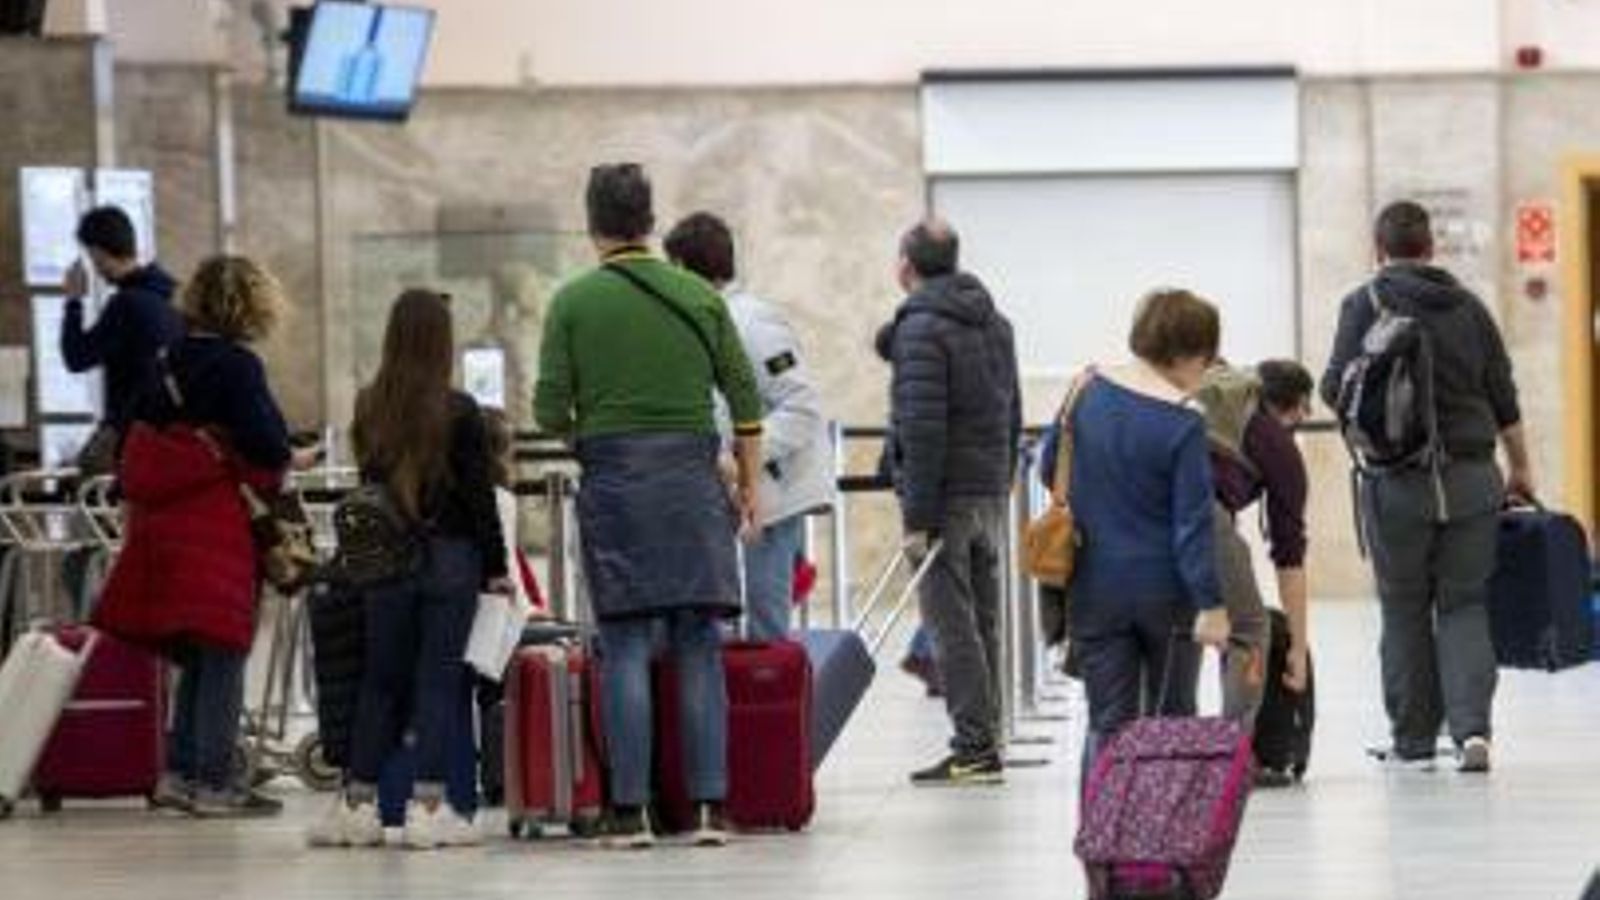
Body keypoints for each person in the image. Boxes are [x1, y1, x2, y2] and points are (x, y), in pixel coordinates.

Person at [534, 164, 764, 848]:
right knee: (698, 642)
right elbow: (746, 402)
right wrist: (747, 486)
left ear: (592, 223)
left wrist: (598, 435)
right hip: (693, 485)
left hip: (615, 485)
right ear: (650, 220)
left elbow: (549, 408)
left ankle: (630, 811)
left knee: (627, 644)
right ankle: (707, 810)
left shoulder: (572, 302)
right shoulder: (698, 295)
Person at [1320, 200, 1530, 774]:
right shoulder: (1469, 308)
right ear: (1430, 247)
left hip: (1396, 485)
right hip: (1470, 479)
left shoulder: (1362, 304)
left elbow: (1333, 388)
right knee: (1464, 603)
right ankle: (1473, 733)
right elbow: (1503, 394)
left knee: (1404, 607)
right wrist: (1522, 468)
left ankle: (1413, 739)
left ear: (1377, 248)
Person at [95, 255, 308, 816]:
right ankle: (215, 783)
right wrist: (291, 454)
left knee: (195, 657)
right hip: (217, 526)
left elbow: (130, 435)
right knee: (225, 653)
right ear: (252, 306)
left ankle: (179, 774)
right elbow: (266, 444)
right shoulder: (238, 367)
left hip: (161, 527)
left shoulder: (164, 360)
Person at [308, 289, 510, 849]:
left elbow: (371, 489)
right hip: (450, 561)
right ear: (442, 342)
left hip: (385, 565)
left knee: (381, 681)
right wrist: (496, 568)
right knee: (438, 683)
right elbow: (479, 500)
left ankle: (359, 805)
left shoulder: (371, 404)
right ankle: (428, 808)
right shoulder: (461, 410)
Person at [1045, 289, 1232, 780]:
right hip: (1165, 595)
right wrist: (1211, 605)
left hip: (1091, 585)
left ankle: (1101, 841)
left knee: (1107, 723)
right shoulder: (1183, 423)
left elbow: (1050, 469)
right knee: (1172, 719)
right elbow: (1192, 526)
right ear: (1190, 354)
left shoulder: (1085, 389)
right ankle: (1158, 842)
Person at [880, 218, 1021, 786]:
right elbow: (1011, 411)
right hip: (987, 489)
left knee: (951, 627)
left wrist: (917, 517)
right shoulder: (997, 323)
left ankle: (974, 747)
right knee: (982, 622)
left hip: (944, 498)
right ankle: (985, 739)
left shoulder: (920, 329)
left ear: (906, 266)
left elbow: (922, 427)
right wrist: (1004, 476)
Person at [664, 211, 833, 641]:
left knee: (766, 630)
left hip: (773, 496)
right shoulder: (713, 317)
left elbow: (801, 404)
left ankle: (774, 707)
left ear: (683, 266)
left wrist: (743, 456)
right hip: (743, 494)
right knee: (739, 627)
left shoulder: (751, 322)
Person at [1189, 359, 1314, 734]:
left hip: (1143, 509)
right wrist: (1297, 648)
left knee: (1178, 627)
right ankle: (1232, 751)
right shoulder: (1279, 447)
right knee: (1249, 627)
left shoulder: (1219, 403)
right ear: (1298, 407)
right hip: (1200, 513)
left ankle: (1161, 751)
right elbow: (1289, 559)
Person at [60, 206, 182, 465]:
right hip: (171, 430)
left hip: (130, 432)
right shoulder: (172, 295)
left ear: (98, 253)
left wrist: (73, 301)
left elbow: (76, 357)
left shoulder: (127, 304)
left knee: (80, 486)